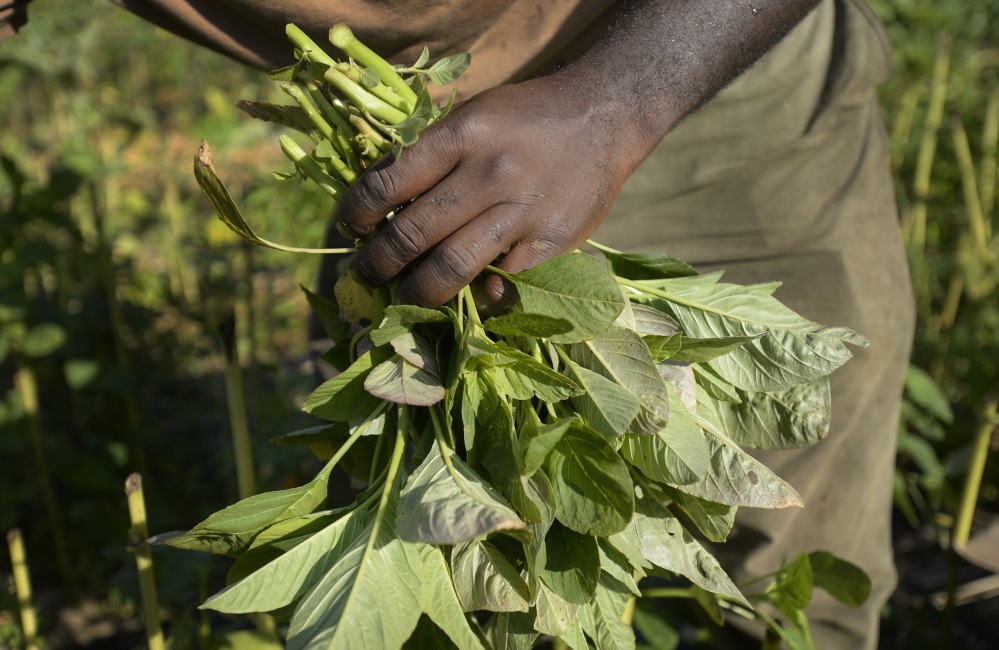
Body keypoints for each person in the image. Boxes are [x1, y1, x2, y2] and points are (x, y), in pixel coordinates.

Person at [2, 1, 915, 647]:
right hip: (413, 168)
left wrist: (616, 101)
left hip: (689, 53)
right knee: (467, 570)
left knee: (783, 560)